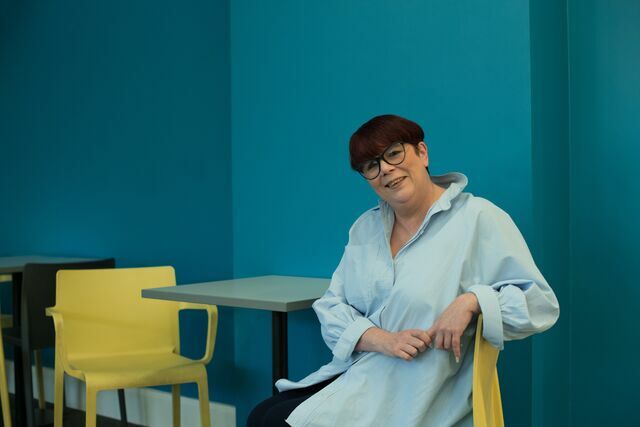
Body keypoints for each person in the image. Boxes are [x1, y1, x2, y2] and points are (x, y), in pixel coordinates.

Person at [248, 114, 559, 427]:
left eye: (394, 153)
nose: (385, 169)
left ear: (422, 153)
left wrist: (472, 301)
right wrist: (382, 339)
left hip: (421, 393)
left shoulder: (478, 218)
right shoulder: (366, 228)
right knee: (261, 414)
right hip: (363, 373)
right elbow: (330, 306)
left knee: (276, 423)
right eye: (371, 166)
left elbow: (540, 305)